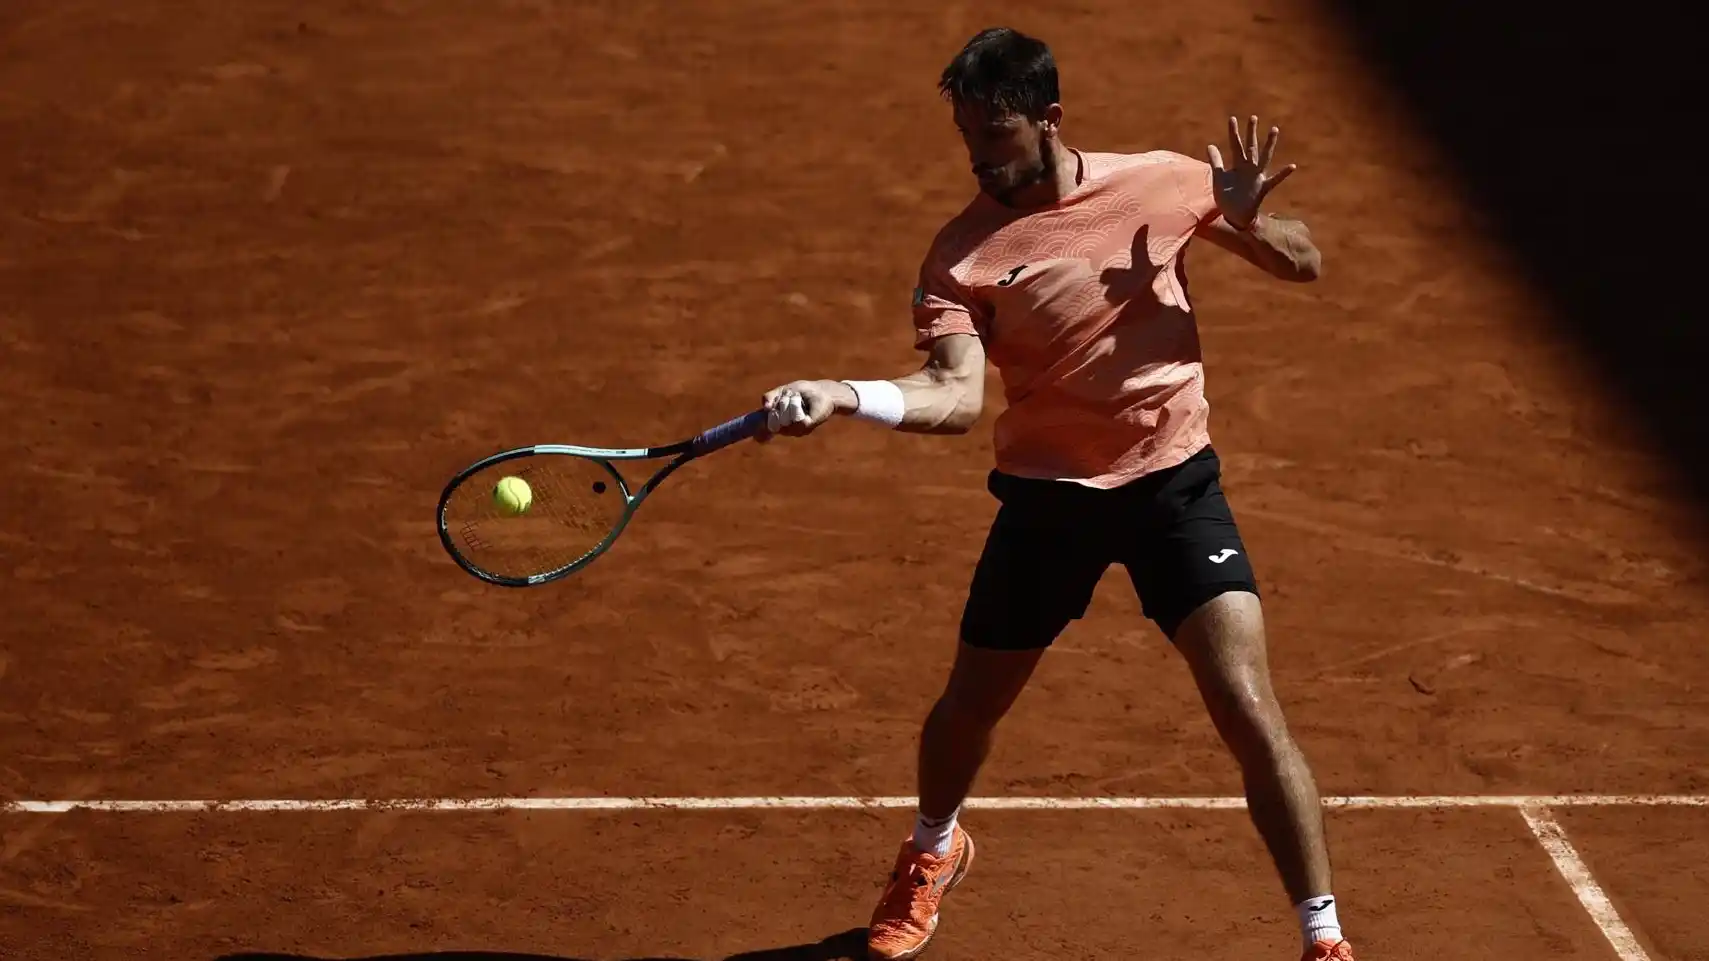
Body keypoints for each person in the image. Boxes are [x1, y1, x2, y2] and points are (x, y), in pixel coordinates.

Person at [754, 26, 1355, 961]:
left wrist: (1240, 217)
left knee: (1246, 702)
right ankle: (931, 848)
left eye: (995, 140)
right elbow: (953, 398)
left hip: (1172, 486)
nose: (980, 164)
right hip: (1048, 503)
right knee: (968, 708)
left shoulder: (1160, 180)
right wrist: (845, 395)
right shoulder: (960, 256)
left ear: (1048, 118)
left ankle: (1324, 938)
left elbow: (1305, 261)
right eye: (967, 142)